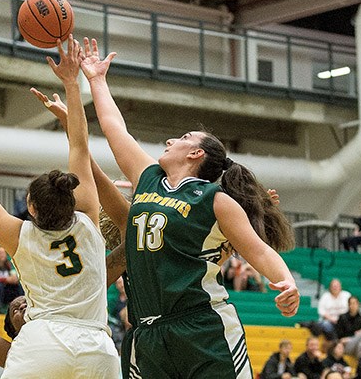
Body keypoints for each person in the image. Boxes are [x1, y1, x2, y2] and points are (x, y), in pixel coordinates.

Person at [77, 36, 298, 379]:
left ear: (197, 154)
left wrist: (286, 281)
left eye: (182, 138)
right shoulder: (148, 176)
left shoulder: (215, 200)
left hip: (202, 327)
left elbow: (259, 251)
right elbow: (114, 128)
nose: (170, 141)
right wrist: (96, 81)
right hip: (148, 333)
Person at [0, 36, 121, 378]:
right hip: (98, 347)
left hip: (43, 344)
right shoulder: (87, 217)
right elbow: (81, 146)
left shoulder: (19, 235)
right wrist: (72, 83)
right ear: (70, 198)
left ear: (31, 208)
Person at [0, 238, 127, 368]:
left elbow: (102, 278)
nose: (22, 306)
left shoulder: (61, 316)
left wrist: (135, 238)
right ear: (14, 333)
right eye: (15, 310)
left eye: (27, 303)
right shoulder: (15, 352)